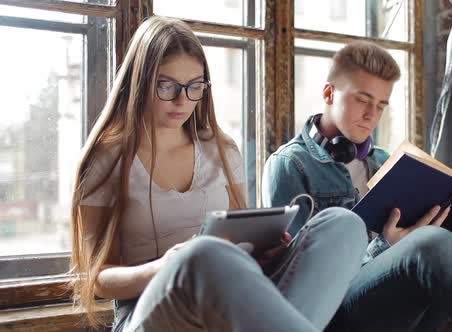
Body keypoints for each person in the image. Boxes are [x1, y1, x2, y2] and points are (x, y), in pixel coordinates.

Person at [69, 16, 368, 332]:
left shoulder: (222, 149)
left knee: (343, 223)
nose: (182, 100)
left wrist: (266, 250)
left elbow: (241, 240)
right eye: (166, 85)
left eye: (194, 86)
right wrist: (164, 267)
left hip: (229, 306)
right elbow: (95, 278)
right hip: (147, 312)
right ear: (140, 80)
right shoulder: (106, 157)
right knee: (204, 253)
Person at [262, 41, 452, 331]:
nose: (372, 115)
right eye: (363, 100)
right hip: (342, 316)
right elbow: (301, 285)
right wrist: (387, 246)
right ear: (329, 94)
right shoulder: (290, 165)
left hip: (407, 300)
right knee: (430, 244)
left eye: (381, 105)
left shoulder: (382, 160)